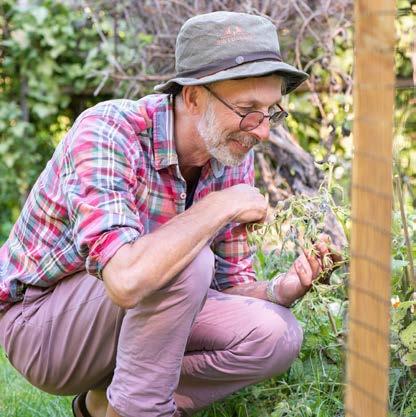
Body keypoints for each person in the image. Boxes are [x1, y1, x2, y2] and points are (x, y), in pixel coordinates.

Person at [0, 11, 340, 417]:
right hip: (43, 328)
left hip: (139, 315)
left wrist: (279, 290)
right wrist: (220, 205)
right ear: (193, 98)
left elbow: (226, 289)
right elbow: (126, 281)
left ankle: (106, 405)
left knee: (275, 334)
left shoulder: (230, 150)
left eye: (270, 112)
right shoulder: (108, 132)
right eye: (247, 109)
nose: (262, 131)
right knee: (187, 260)